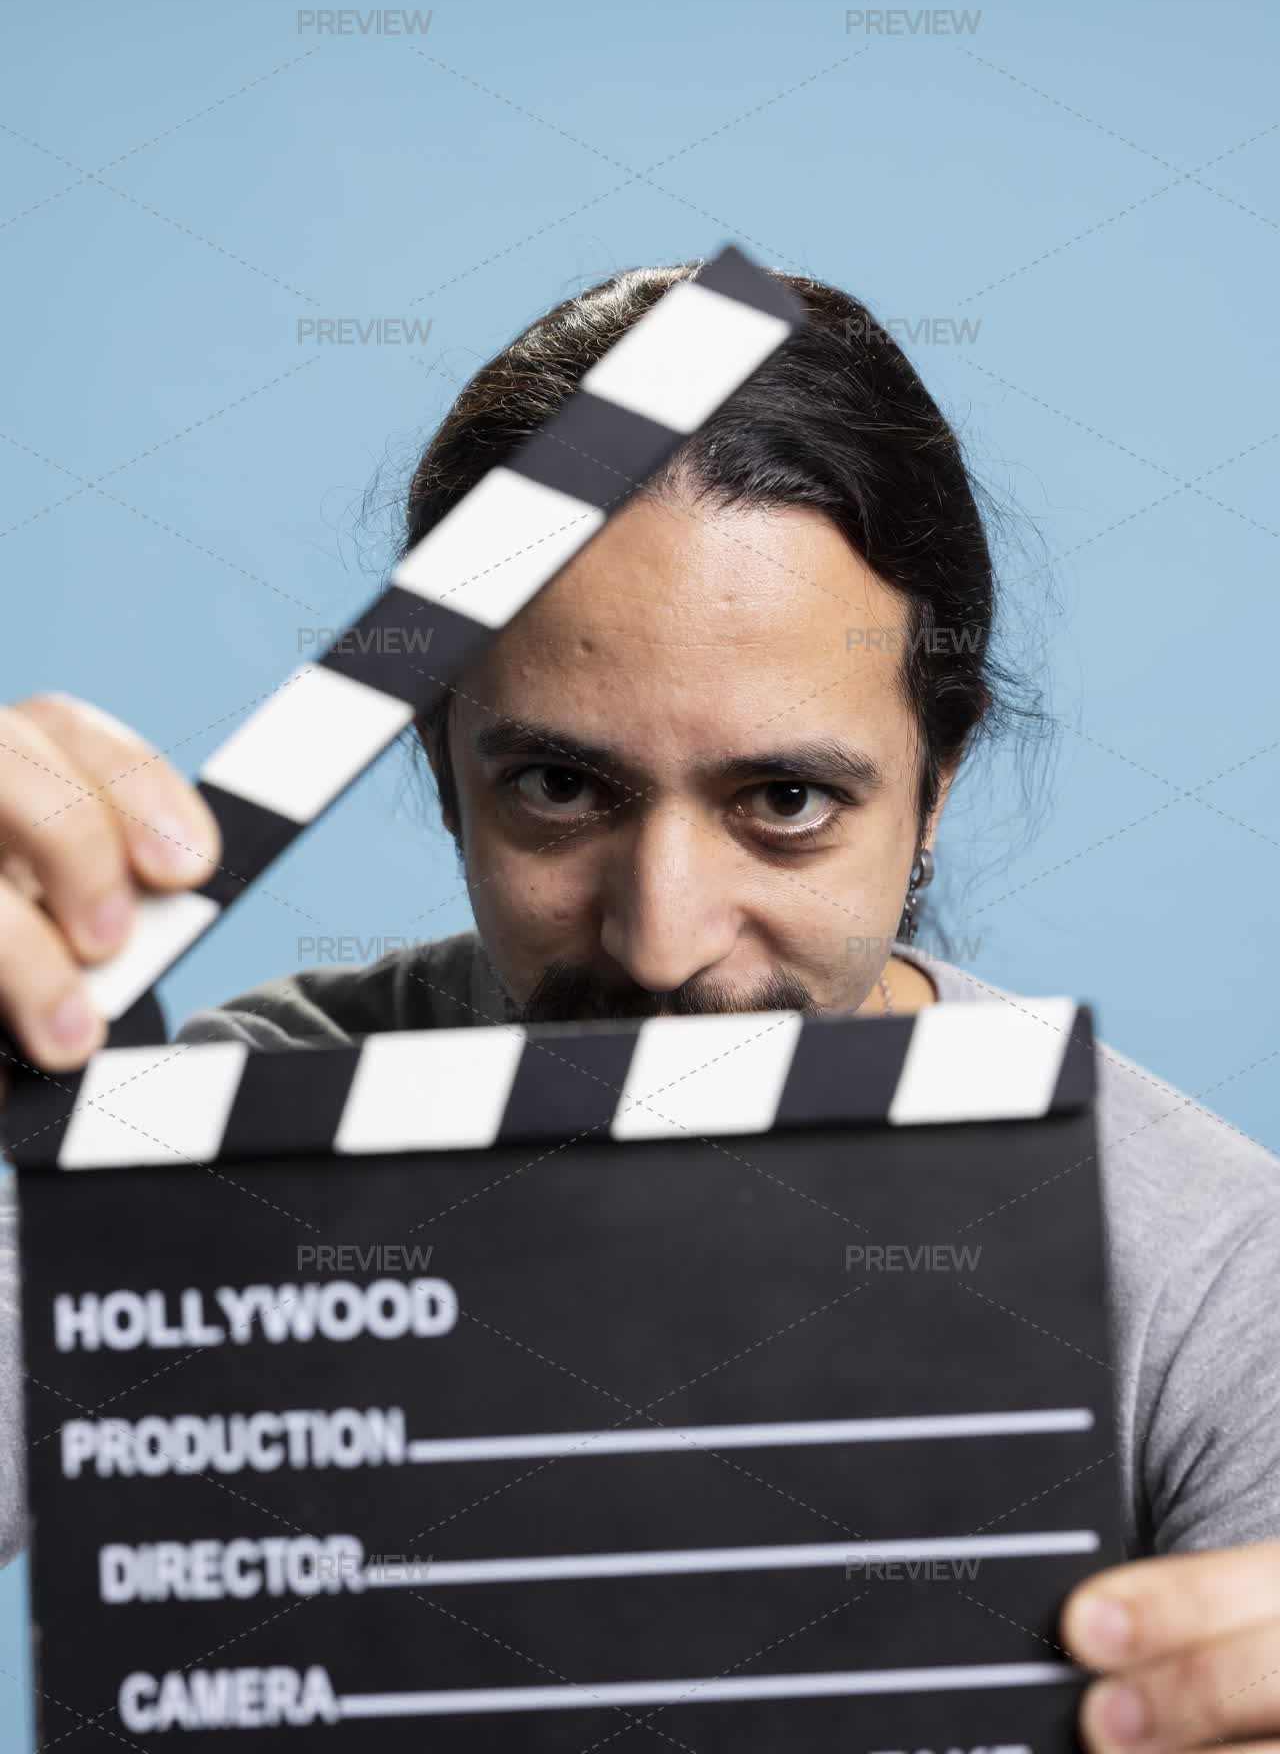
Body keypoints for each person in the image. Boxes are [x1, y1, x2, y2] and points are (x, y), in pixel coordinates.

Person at [1, 261, 1278, 1750]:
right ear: (442, 770)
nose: (662, 940)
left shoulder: (1208, 1281)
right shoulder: (252, 1129)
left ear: (936, 787)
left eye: (786, 801)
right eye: (560, 787)